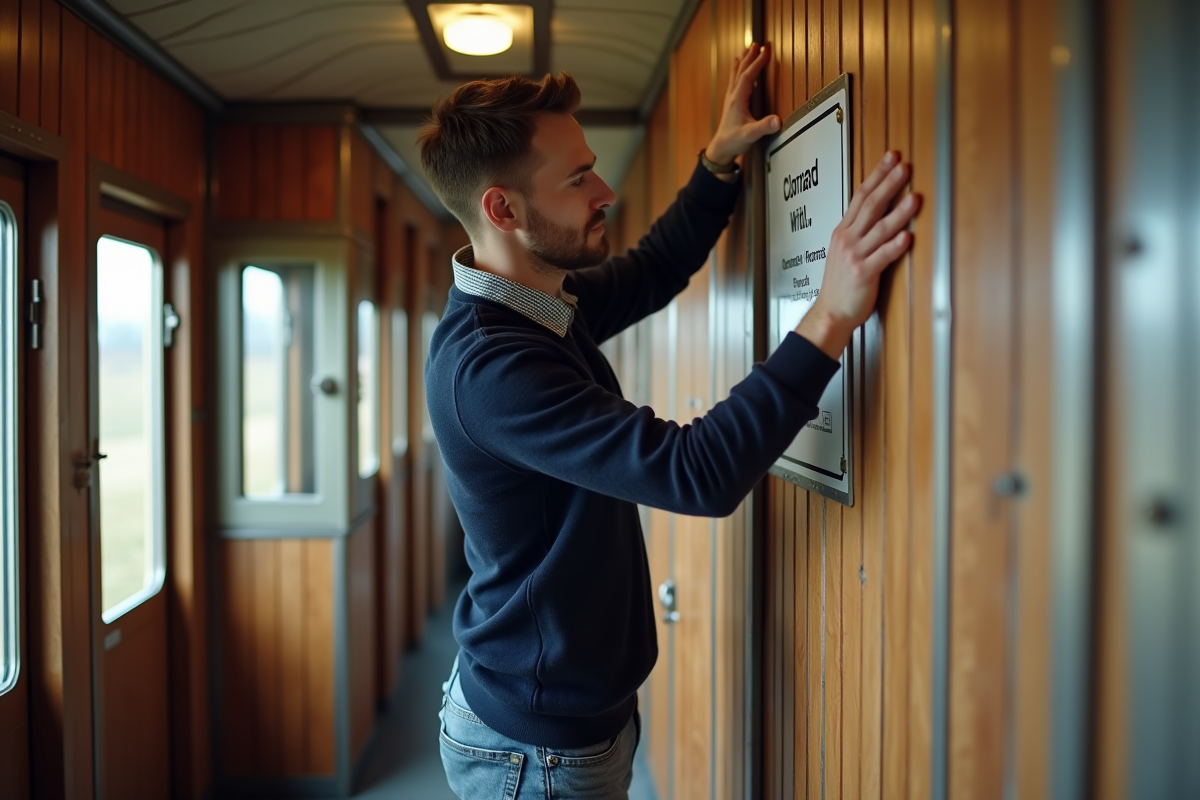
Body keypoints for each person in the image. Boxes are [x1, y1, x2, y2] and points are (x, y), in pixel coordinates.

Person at [418, 42, 921, 800]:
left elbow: (651, 269)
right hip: (535, 750)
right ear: (504, 209)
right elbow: (697, 473)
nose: (605, 190)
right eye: (578, 177)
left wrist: (718, 165)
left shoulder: (542, 304)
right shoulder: (491, 368)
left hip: (559, 715)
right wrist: (830, 315)